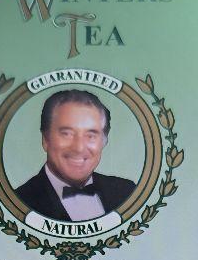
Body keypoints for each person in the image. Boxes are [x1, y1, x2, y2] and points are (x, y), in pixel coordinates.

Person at [14, 89, 135, 222]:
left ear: (104, 141)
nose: (79, 148)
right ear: (45, 140)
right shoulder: (18, 202)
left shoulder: (127, 192)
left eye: (91, 135)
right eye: (67, 134)